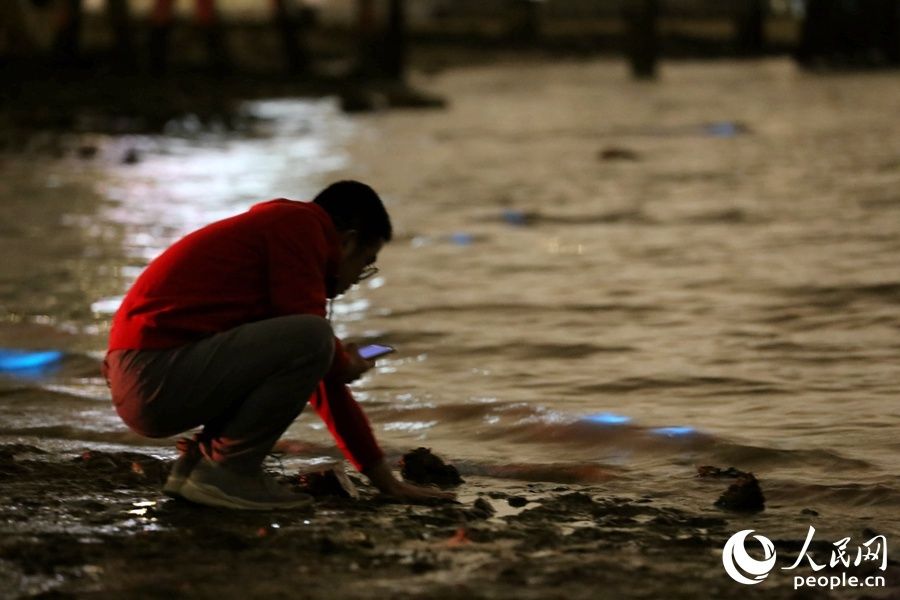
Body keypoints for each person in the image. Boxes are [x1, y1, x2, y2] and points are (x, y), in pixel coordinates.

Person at [102, 181, 455, 510]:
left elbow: (323, 380)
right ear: (347, 241)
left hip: (147, 378)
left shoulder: (275, 241)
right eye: (365, 264)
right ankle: (228, 474)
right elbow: (317, 347)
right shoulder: (298, 226)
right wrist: (343, 362)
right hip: (154, 374)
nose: (357, 281)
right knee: (314, 335)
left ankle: (196, 468)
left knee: (313, 339)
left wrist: (385, 481)